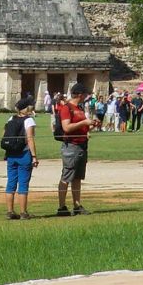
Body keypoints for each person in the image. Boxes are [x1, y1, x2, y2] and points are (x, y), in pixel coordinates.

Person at [55, 83, 100, 216]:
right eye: (85, 94)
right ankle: (62, 207)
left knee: (77, 178)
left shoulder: (79, 108)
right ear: (80, 94)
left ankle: (77, 205)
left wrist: (92, 125)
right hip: (71, 146)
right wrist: (84, 122)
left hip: (82, 145)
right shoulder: (67, 108)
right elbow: (67, 127)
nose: (86, 96)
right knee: (66, 176)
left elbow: (83, 128)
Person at [3, 97, 38, 220]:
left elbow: (4, 134)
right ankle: (23, 212)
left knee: (11, 183)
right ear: (27, 107)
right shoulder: (29, 120)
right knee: (23, 184)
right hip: (24, 154)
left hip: (11, 154)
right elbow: (30, 139)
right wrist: (34, 156)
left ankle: (10, 211)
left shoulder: (11, 118)